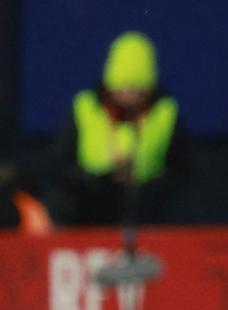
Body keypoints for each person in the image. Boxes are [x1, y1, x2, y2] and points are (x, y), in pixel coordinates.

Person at [49, 31, 188, 226]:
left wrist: (151, 187)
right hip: (90, 211)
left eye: (137, 89)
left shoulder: (165, 112)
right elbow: (58, 166)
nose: (129, 96)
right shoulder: (85, 107)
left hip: (147, 213)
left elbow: (183, 171)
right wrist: (93, 181)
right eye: (123, 87)